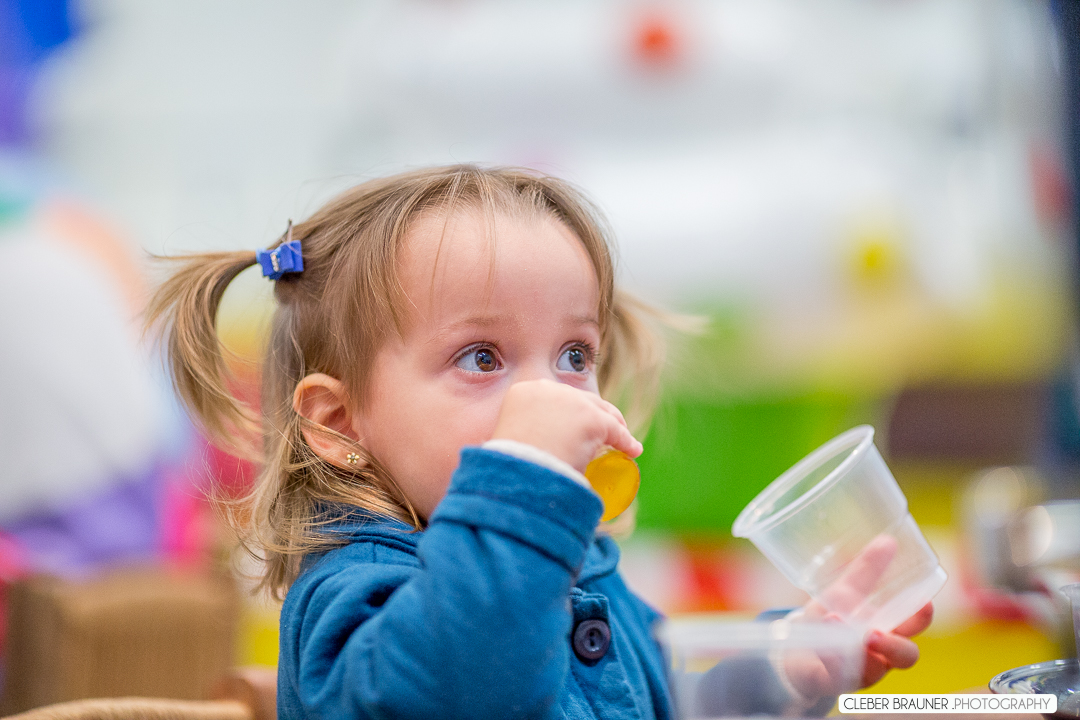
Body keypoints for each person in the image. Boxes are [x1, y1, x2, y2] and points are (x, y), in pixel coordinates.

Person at [145, 165, 931, 719]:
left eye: (575, 356)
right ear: (338, 424)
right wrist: (521, 476)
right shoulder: (354, 588)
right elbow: (455, 691)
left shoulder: (582, 573)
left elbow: (661, 701)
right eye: (481, 358)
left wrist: (780, 671)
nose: (548, 395)